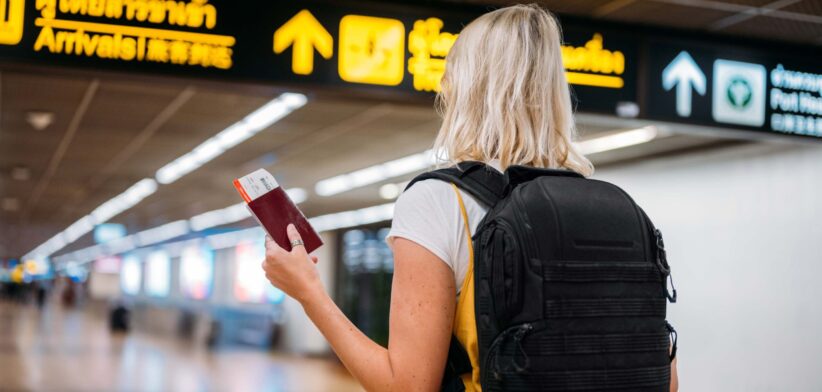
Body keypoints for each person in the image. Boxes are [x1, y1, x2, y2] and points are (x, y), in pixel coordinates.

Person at [262, 4, 679, 391]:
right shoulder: (614, 209)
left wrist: (309, 293)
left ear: (464, 88)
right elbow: (666, 379)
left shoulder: (438, 200)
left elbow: (407, 384)